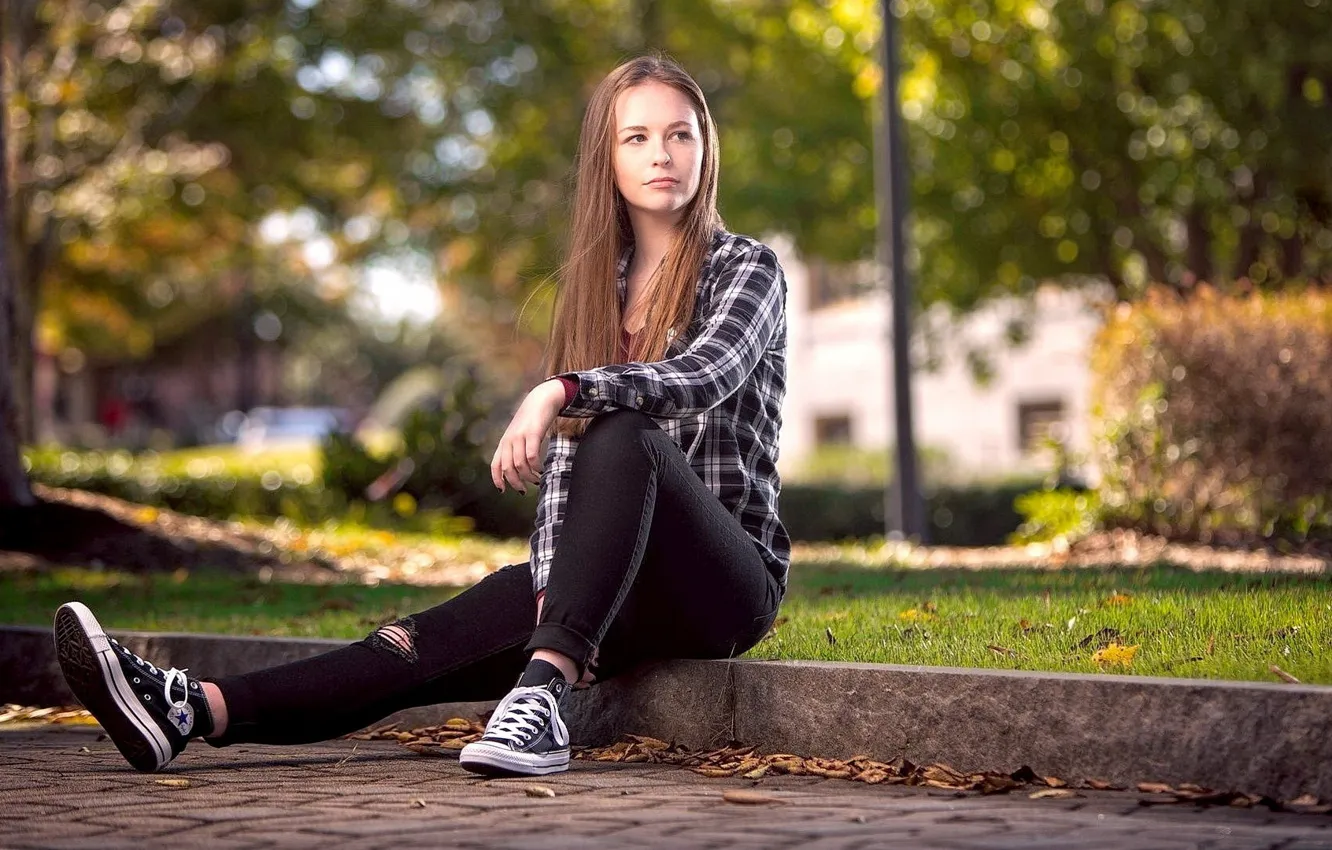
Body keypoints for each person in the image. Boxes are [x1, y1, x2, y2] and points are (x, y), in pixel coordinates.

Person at [51, 53, 791, 777]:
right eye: (637, 137)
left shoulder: (746, 269)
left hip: (722, 584)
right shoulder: (596, 292)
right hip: (615, 581)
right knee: (413, 644)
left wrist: (559, 390)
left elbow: (704, 375)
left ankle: (541, 694)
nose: (662, 153)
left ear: (705, 148)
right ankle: (190, 710)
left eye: (680, 133)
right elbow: (571, 474)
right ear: (609, 157)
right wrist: (548, 582)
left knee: (625, 428)